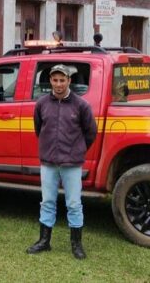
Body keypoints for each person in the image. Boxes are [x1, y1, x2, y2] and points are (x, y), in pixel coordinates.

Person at [27, 64, 97, 259]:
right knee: (47, 201)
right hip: (48, 162)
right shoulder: (41, 104)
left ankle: (76, 244)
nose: (58, 84)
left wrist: (78, 149)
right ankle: (44, 241)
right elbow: (39, 129)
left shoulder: (81, 105)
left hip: (72, 163)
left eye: (62, 80)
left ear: (69, 81)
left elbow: (90, 132)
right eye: (55, 80)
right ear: (50, 81)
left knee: (74, 203)